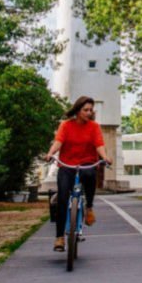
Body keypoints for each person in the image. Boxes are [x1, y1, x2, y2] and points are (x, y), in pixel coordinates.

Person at [45, 96, 111, 252]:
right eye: (85, 110)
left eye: (90, 110)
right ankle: (59, 238)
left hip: (86, 163)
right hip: (67, 165)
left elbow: (99, 145)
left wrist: (105, 157)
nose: (89, 113)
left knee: (90, 175)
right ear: (77, 110)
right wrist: (50, 153)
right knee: (62, 198)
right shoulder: (66, 126)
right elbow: (58, 142)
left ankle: (88, 207)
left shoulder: (94, 127)